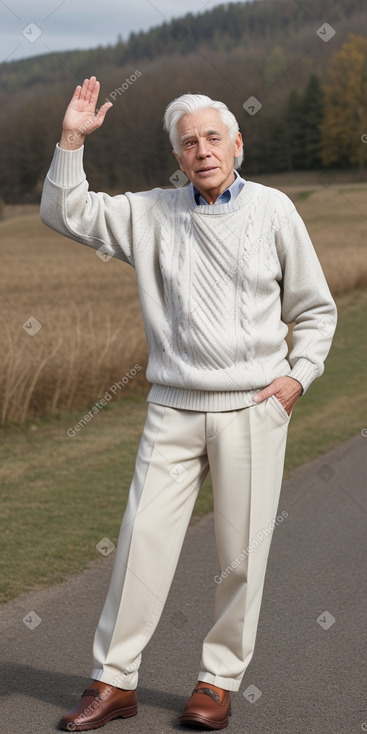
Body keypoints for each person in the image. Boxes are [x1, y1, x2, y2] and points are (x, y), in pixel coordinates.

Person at [40, 76, 337, 731]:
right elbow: (65, 212)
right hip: (171, 409)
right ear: (177, 158)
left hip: (253, 408)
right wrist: (71, 139)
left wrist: (297, 378)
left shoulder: (273, 210)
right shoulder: (150, 214)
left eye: (211, 137)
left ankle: (217, 682)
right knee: (140, 546)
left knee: (238, 555)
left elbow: (314, 308)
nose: (200, 150)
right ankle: (113, 683)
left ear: (236, 142)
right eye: (186, 143)